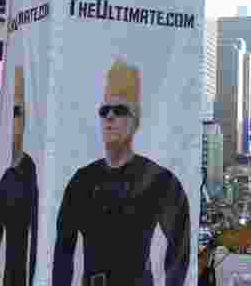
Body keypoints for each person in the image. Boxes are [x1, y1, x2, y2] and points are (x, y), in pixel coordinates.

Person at [53, 59, 192, 286]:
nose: (110, 117)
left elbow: (180, 248)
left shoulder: (160, 180)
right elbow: (62, 254)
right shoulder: (82, 181)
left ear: (136, 120)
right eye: (104, 110)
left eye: (119, 110)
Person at [0, 65, 39, 286]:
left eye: (17, 112)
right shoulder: (6, 176)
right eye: (1, 105)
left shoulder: (32, 174)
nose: (8, 119)